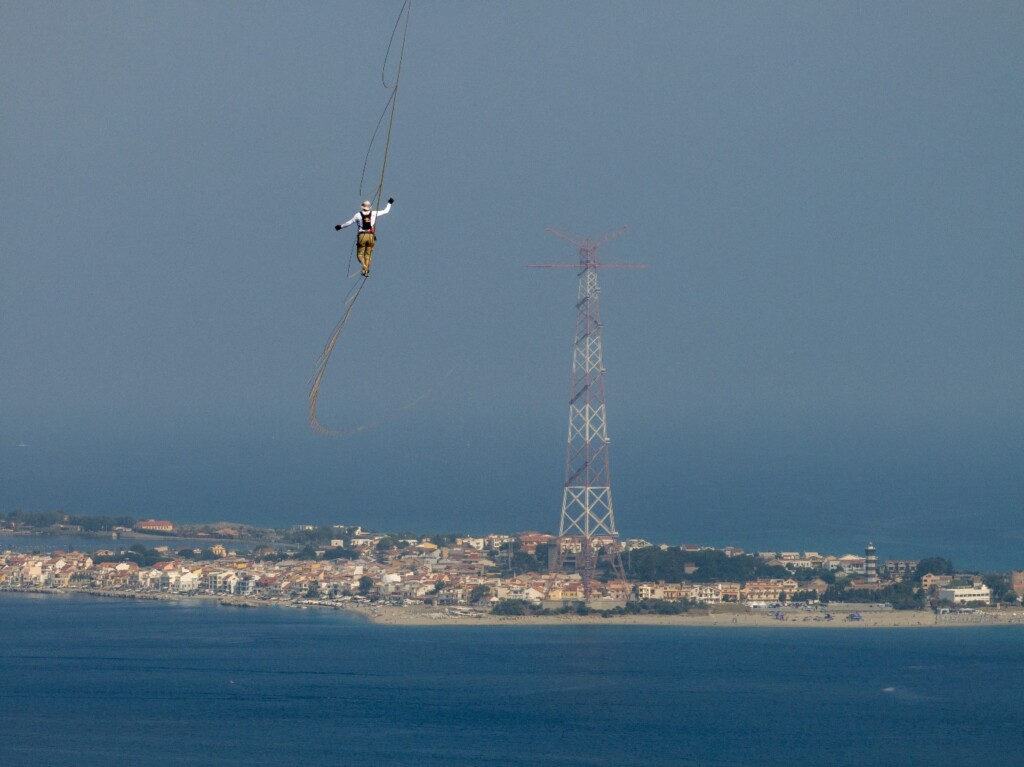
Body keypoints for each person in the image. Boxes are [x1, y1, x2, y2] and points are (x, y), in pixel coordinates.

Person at [335, 197, 394, 276]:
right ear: (369, 207)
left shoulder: (358, 215)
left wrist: (341, 226)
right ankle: (366, 270)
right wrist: (389, 203)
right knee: (368, 255)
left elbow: (349, 223)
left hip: (362, 236)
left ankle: (364, 265)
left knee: (360, 255)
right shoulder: (373, 213)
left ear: (362, 207)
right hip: (371, 236)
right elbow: (385, 211)